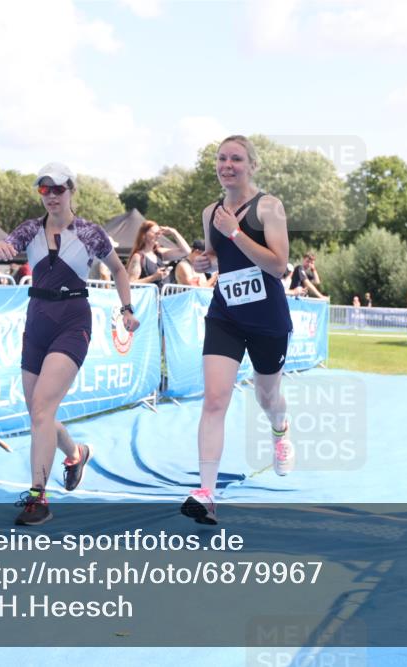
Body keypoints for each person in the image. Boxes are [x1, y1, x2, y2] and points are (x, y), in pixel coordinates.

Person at [0, 162, 140, 526]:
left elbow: (117, 268)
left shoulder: (89, 232)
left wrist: (127, 308)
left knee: (41, 409)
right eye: (44, 189)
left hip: (72, 319)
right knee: (40, 414)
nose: (51, 196)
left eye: (59, 189)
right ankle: (76, 453)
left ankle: (38, 498)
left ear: (72, 191)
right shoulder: (28, 230)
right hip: (37, 319)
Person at [180, 135, 295, 525]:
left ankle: (280, 430)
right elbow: (217, 260)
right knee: (214, 400)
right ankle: (206, 493)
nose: (227, 165)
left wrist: (235, 233)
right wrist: (203, 263)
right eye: (221, 158)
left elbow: (278, 266)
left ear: (251, 166)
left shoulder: (269, 207)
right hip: (225, 314)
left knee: (268, 397)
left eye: (236, 159)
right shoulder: (210, 210)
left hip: (267, 320)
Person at [126, 220, 191, 288]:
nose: (158, 236)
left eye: (159, 233)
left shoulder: (159, 253)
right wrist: (154, 277)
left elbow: (186, 251)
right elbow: (131, 283)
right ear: (144, 235)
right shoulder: (138, 257)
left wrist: (174, 232)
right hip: (149, 297)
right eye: (155, 233)